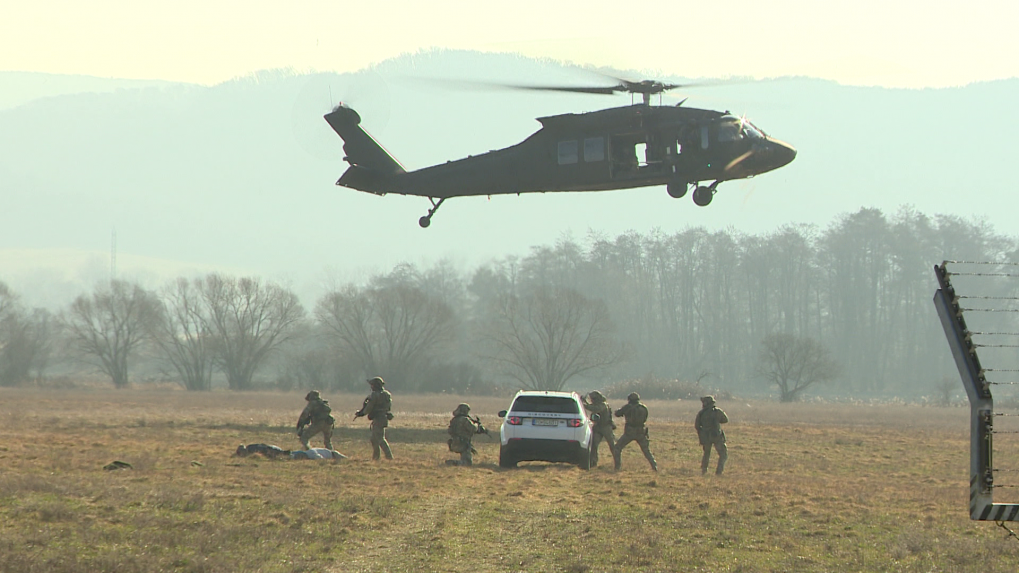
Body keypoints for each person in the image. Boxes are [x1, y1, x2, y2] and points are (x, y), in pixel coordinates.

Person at [612, 392, 657, 472]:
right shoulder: (643, 407)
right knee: (646, 451)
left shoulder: (628, 407)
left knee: (617, 448)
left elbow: (617, 414)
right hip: (641, 432)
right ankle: (654, 466)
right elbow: (645, 418)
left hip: (630, 432)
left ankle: (617, 467)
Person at [354, 376, 393, 460]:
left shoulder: (375, 395)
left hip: (378, 418)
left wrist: (361, 413)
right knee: (374, 439)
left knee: (380, 439)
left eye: (372, 385)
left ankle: (389, 457)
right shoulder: (387, 394)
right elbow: (388, 407)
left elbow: (369, 407)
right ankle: (376, 458)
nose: (371, 387)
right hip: (383, 418)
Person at [695, 395, 729, 475]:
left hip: (706, 437)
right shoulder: (717, 411)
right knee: (723, 454)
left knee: (706, 454)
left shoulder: (701, 413)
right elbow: (725, 420)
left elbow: (697, 426)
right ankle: (719, 471)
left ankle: (704, 470)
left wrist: (702, 433)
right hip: (716, 436)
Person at [581, 390, 616, 467]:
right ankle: (593, 462)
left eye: (593, 399)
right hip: (598, 427)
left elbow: (595, 409)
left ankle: (617, 463)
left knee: (612, 445)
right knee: (594, 445)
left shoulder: (603, 405)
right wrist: (585, 402)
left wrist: (584, 404)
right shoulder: (597, 404)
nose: (592, 400)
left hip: (606, 427)